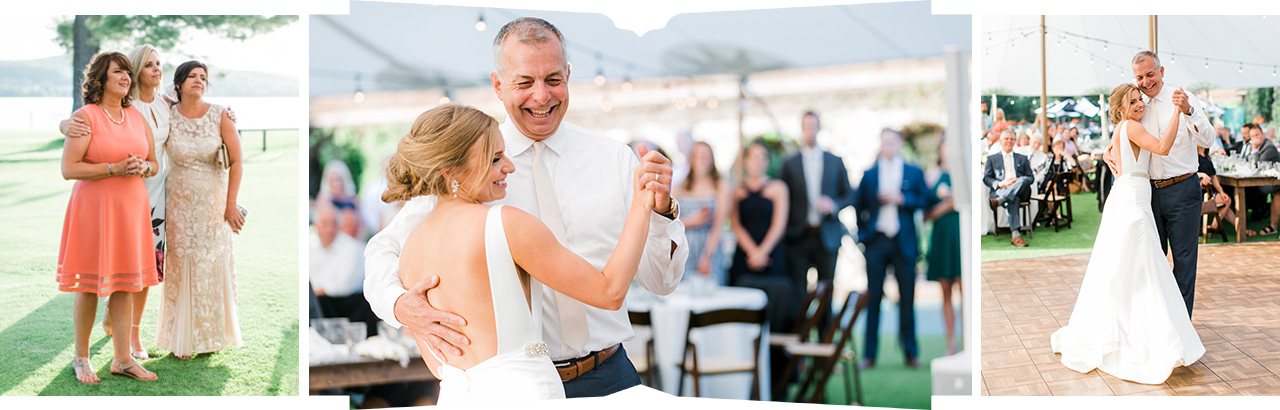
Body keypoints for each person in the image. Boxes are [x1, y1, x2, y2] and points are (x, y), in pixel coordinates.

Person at [363, 17, 687, 399]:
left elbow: (661, 282)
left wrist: (661, 212)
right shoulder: (464, 172)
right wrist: (400, 305)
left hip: (608, 373)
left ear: (568, 75)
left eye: (553, 80)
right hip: (515, 387)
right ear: (498, 85)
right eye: (524, 83)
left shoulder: (615, 159)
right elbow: (383, 251)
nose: (541, 96)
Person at [383, 104, 656, 403]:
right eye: (495, 158)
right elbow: (610, 291)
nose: (509, 166)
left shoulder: (408, 250)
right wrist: (642, 205)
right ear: (451, 172)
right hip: (526, 397)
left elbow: (439, 363)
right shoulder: (504, 223)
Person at [1052, 83, 1205, 384]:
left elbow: (1115, 153)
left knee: (1129, 269)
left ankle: (1139, 329)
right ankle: (1148, 337)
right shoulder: (1131, 127)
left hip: (1129, 196)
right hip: (1134, 203)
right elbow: (1161, 147)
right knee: (1144, 268)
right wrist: (1177, 111)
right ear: (1120, 108)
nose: (1140, 104)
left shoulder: (1124, 128)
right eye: (1133, 101)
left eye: (1140, 100)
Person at [60, 51, 161, 384]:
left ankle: (123, 359)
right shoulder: (85, 116)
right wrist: (112, 168)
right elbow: (69, 168)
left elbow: (154, 162)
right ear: (100, 79)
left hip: (130, 209)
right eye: (118, 72)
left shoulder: (136, 117)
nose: (126, 78)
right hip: (94, 210)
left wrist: (143, 167)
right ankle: (81, 357)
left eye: (127, 73)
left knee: (126, 283)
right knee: (89, 284)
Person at [1103, 51, 1215, 318]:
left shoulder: (1182, 99)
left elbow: (1208, 140)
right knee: (1149, 263)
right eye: (1139, 77)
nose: (1145, 81)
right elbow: (1124, 135)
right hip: (1147, 194)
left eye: (1150, 74)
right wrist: (1107, 152)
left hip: (1182, 190)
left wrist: (1187, 110)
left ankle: (1181, 326)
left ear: (1162, 72)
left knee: (1184, 262)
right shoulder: (1136, 105)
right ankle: (1155, 323)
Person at [154, 60, 245, 359]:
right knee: (181, 266)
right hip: (179, 205)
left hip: (213, 206)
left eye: (203, 77)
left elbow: (238, 162)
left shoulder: (220, 115)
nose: (198, 81)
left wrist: (231, 205)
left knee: (210, 265)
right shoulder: (168, 115)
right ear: (178, 84)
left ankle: (211, 336)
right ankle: (183, 339)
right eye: (191, 76)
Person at [854, 129, 927, 369]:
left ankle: (910, 352)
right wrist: (863, 234)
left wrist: (902, 199)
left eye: (892, 141)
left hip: (903, 242)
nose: (888, 146)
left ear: (899, 143)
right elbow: (858, 205)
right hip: (876, 241)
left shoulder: (914, 171)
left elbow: (924, 200)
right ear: (881, 144)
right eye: (884, 142)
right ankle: (869, 355)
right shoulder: (869, 174)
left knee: (907, 299)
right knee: (872, 298)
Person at [728, 141, 797, 394]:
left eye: (762, 157)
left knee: (775, 315)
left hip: (772, 259)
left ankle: (777, 381)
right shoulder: (736, 190)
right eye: (752, 157)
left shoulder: (778, 188)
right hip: (743, 260)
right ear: (745, 161)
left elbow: (780, 223)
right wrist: (751, 251)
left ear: (766, 161)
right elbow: (734, 223)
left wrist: (762, 251)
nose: (757, 162)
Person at [779, 111, 855, 332]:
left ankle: (824, 352)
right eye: (806, 126)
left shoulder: (835, 161)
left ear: (819, 128)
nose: (810, 130)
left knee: (826, 294)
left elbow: (849, 195)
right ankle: (799, 355)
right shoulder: (789, 163)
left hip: (827, 237)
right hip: (798, 237)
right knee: (799, 295)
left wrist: (833, 204)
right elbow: (782, 197)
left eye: (814, 125)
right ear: (801, 129)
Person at [311, 201, 377, 337]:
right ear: (316, 226)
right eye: (324, 224)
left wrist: (315, 291)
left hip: (351, 307)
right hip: (323, 305)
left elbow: (344, 285)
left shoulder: (351, 248)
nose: (329, 229)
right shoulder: (313, 252)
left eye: (333, 224)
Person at [925, 135, 961, 355]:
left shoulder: (963, 174)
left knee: (964, 288)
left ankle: (969, 343)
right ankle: (951, 344)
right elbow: (925, 214)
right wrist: (947, 206)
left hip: (959, 237)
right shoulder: (932, 176)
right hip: (941, 236)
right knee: (945, 290)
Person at [675, 141, 730, 285]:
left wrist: (707, 256)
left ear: (712, 159)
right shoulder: (679, 186)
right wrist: (693, 221)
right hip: (684, 250)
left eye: (706, 155)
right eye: (698, 155)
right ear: (691, 159)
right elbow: (670, 223)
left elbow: (719, 224)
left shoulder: (720, 185)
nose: (702, 159)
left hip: (709, 248)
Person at [984, 130, 1033, 247]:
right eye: (1006, 138)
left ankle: (1001, 200)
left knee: (1023, 179)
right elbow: (986, 178)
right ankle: (1016, 235)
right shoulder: (992, 158)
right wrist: (1000, 183)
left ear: (1015, 141)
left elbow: (1031, 177)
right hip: (1002, 189)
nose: (1009, 141)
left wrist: (1016, 181)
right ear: (1001, 141)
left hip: (1021, 191)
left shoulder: (1022, 158)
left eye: (1011, 139)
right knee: (1013, 199)